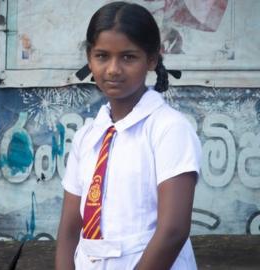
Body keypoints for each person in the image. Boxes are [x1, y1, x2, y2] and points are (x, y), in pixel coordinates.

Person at [55, 2, 201, 270]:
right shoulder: (87, 136)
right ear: (89, 57)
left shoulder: (169, 129)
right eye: (102, 56)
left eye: (128, 57)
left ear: (152, 60)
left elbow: (174, 230)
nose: (113, 69)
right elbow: (69, 229)